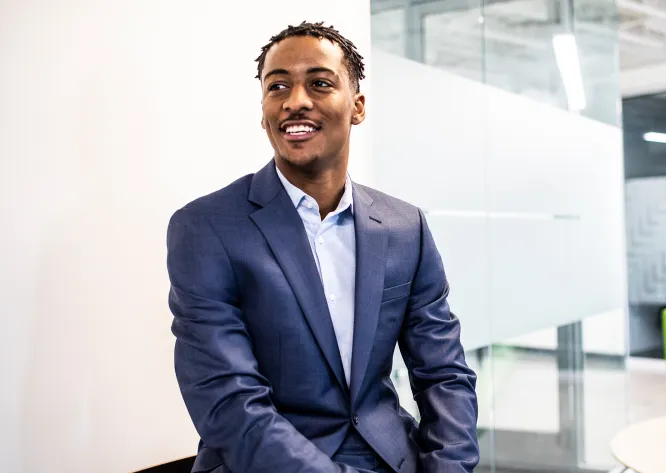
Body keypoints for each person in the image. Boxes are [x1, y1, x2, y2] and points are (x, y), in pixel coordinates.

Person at [165, 21, 479, 473]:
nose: (295, 101)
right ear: (263, 111)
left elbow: (444, 375)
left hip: (390, 458)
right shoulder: (206, 228)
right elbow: (230, 404)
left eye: (319, 83)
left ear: (358, 106)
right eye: (278, 87)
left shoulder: (404, 226)